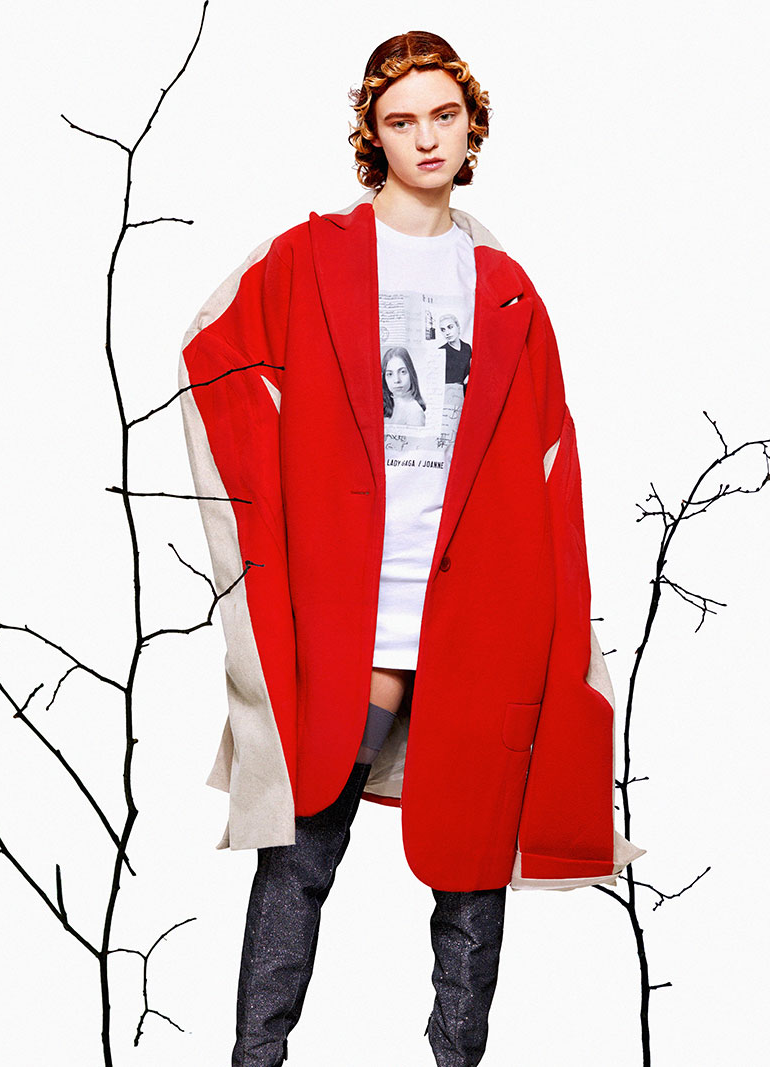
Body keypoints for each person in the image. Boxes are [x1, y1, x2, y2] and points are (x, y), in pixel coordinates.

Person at [179, 29, 644, 1067]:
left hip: (483, 609)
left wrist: (559, 625)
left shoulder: (507, 284)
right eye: (402, 120)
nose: (426, 138)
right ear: (372, 135)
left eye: (444, 115)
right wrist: (286, 527)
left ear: (472, 127)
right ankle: (254, 1057)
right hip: (356, 610)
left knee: (472, 865)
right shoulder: (309, 257)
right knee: (302, 844)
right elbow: (213, 362)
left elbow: (549, 466)